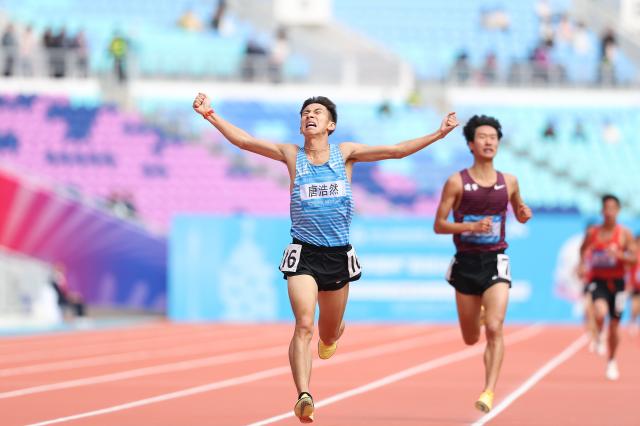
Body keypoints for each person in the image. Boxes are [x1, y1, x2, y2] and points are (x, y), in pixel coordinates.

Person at [192, 92, 458, 423]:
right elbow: (245, 141)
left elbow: (396, 151)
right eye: (305, 113)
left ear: (330, 125)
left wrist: (439, 133)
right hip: (303, 252)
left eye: (317, 112)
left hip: (337, 256)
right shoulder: (291, 155)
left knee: (327, 332)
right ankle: (304, 394)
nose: (309, 116)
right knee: (304, 324)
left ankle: (333, 333)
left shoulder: (345, 153)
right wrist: (210, 115)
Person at [434, 114, 532, 413]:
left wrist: (524, 213)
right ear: (470, 144)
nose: (489, 141)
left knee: (495, 326)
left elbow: (519, 210)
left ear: (498, 143)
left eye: (493, 137)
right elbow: (439, 224)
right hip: (465, 263)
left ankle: (489, 391)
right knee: (470, 337)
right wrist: (469, 228)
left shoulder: (510, 181)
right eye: (483, 137)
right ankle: (476, 316)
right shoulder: (456, 182)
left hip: (495, 261)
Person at [580, 194, 636, 380]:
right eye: (606, 208)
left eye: (613, 208)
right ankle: (599, 335)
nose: (609, 212)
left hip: (618, 284)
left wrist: (619, 255)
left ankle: (611, 361)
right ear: (602, 211)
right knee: (599, 311)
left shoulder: (624, 234)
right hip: (598, 280)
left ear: (618, 211)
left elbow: (635, 258)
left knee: (615, 326)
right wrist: (582, 264)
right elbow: (582, 249)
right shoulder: (593, 233)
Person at [628, 233, 640, 335]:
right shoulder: (633, 255)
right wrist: (630, 284)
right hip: (636, 285)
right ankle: (632, 322)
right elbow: (630, 270)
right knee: (635, 305)